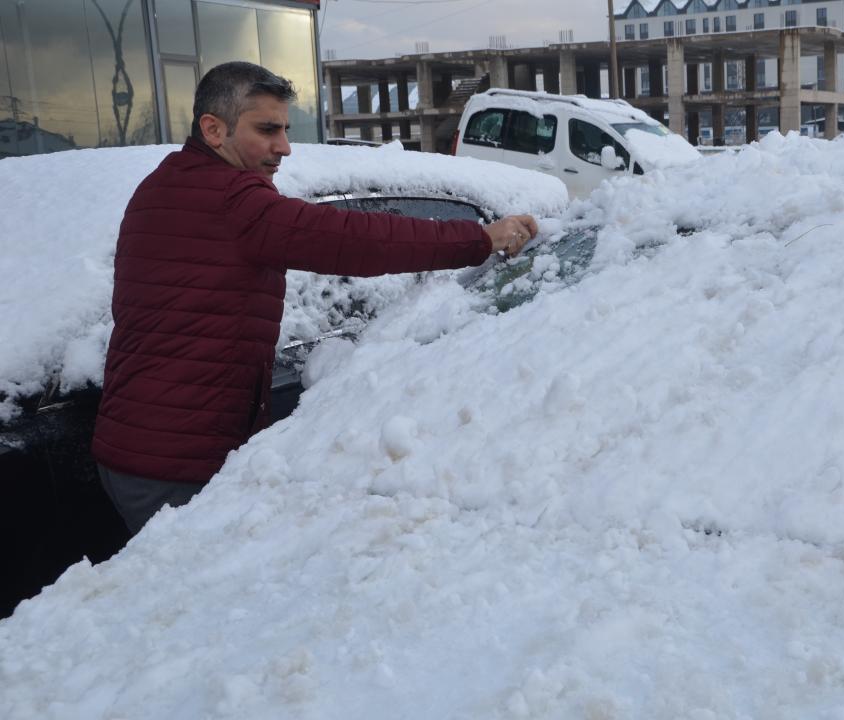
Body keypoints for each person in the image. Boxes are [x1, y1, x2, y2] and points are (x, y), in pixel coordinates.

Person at [91, 61, 539, 534]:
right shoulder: (234, 201)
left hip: (136, 445)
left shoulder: (162, 185)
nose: (283, 147)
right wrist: (480, 239)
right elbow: (353, 238)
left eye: (285, 129)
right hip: (178, 464)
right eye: (267, 130)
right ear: (213, 129)